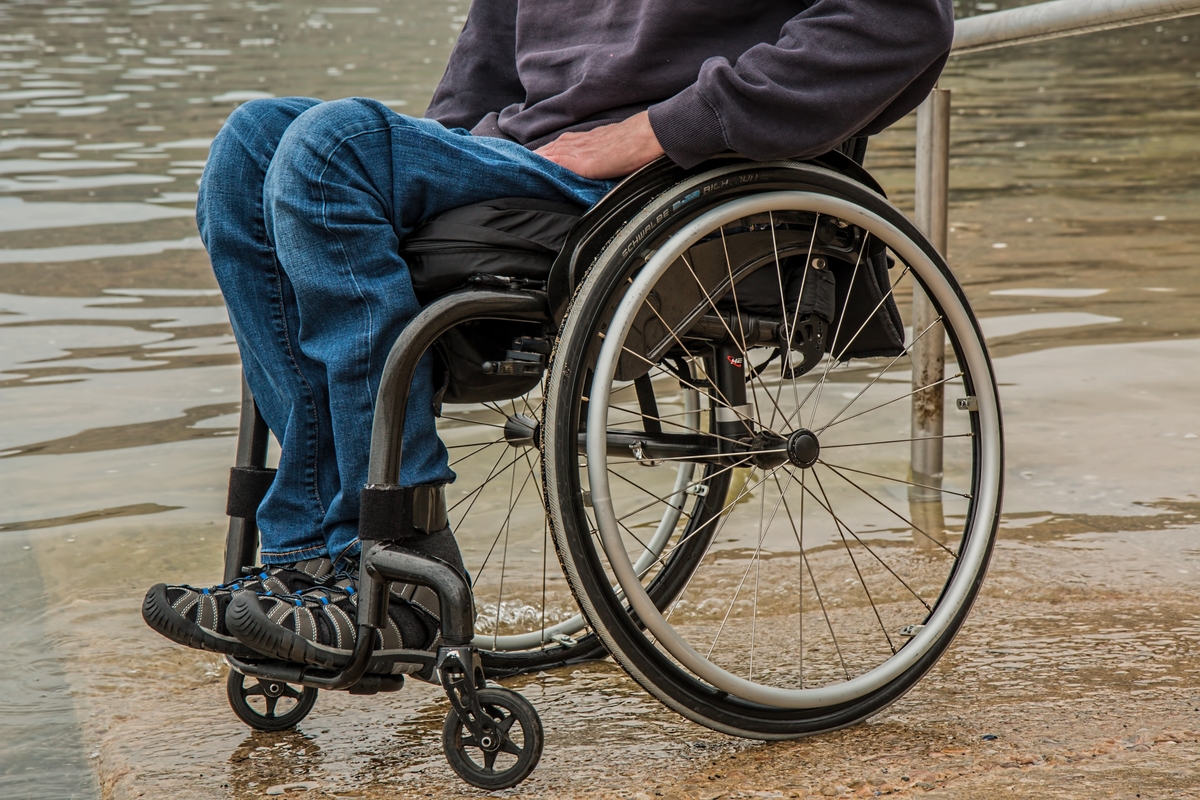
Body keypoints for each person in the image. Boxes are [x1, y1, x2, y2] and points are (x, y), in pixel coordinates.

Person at [142, 0, 955, 667]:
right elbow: (487, 58)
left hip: (664, 173)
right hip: (528, 159)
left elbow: (902, 21)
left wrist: (663, 127)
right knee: (250, 143)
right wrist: (438, 162)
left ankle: (403, 561)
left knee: (331, 148)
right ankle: (306, 564)